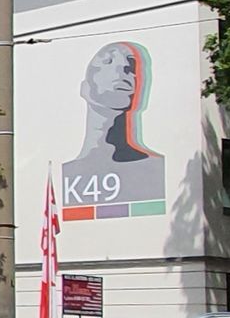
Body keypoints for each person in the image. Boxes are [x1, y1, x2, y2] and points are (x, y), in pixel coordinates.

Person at [61, 41, 165, 208]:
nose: (123, 67)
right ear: (84, 88)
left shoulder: (156, 167)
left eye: (131, 67)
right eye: (107, 61)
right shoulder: (68, 172)